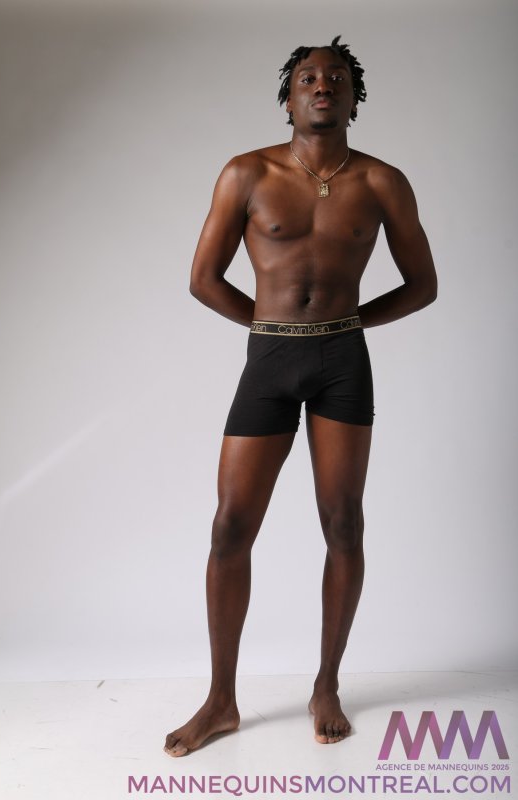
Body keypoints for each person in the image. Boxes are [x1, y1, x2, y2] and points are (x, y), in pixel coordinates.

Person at [164, 35, 437, 757]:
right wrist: (270, 329)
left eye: (336, 77)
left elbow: (422, 285)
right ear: (288, 99)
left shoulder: (382, 181)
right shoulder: (246, 173)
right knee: (230, 527)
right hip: (270, 357)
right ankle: (221, 700)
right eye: (308, 77)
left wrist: (348, 326)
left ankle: (326, 684)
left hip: (343, 361)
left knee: (343, 523)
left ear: (353, 98)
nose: (322, 85)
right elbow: (203, 279)